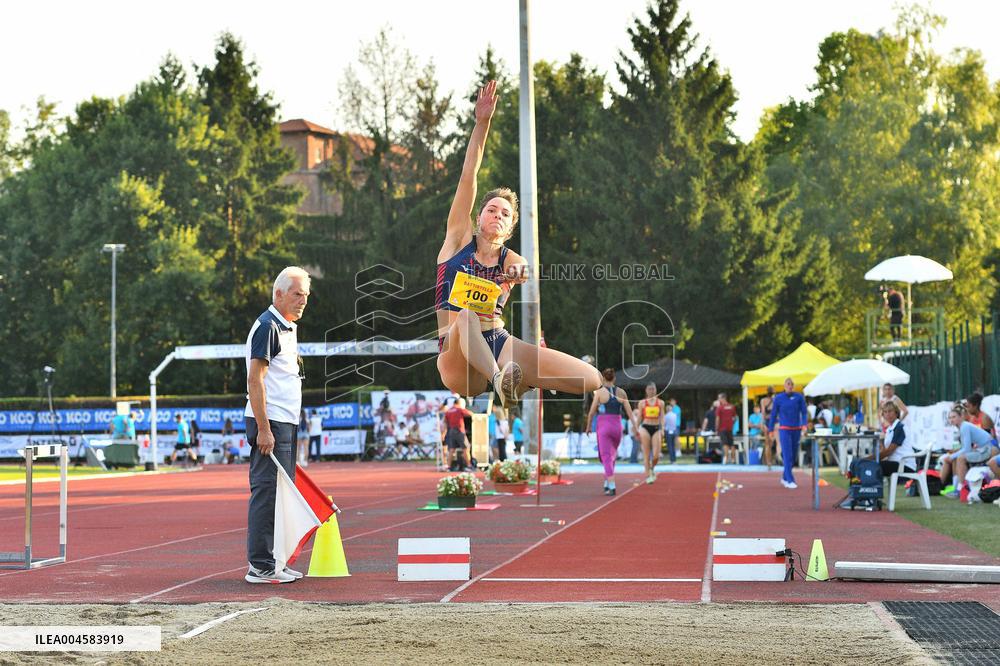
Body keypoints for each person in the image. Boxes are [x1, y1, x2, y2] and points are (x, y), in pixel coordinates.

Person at [434, 80, 601, 407]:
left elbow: (523, 269)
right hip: (456, 356)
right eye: (491, 209)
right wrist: (482, 124)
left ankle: (515, 383)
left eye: (505, 213)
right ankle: (502, 382)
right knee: (467, 316)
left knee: (589, 379)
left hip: (498, 342)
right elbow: (469, 175)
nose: (497, 215)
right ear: (478, 217)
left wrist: (522, 272)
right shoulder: (456, 240)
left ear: (510, 226)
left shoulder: (510, 257)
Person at [244, 266, 311, 584]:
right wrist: (264, 428)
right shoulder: (268, 326)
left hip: (286, 421)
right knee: (267, 492)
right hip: (271, 422)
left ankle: (276, 560)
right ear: (279, 294)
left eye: (306, 295)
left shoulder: (287, 327)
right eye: (297, 294)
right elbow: (255, 380)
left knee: (283, 495)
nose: (303, 300)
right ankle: (260, 564)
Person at [585, 369, 635, 496]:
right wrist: (636, 427)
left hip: (604, 425)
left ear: (603, 379)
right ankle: (607, 482)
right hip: (617, 426)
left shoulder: (599, 392)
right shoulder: (621, 392)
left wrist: (588, 426)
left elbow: (591, 413)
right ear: (614, 379)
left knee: (606, 456)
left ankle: (612, 485)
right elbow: (630, 413)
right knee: (611, 455)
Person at [941, 406, 1000, 498]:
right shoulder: (963, 426)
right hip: (983, 448)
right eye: (950, 417)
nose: (951, 419)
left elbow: (967, 449)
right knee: (957, 458)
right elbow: (966, 448)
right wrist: (953, 456)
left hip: (988, 449)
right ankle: (957, 487)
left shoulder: (964, 426)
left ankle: (960, 489)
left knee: (960, 458)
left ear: (961, 417)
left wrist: (952, 456)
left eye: (954, 417)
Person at [767, 378, 808, 489]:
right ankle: (790, 480)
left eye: (792, 384)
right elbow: (773, 415)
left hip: (797, 429)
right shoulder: (778, 398)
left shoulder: (799, 397)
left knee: (793, 456)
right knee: (787, 455)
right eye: (788, 384)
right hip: (784, 429)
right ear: (784, 386)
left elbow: (804, 412)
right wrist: (770, 430)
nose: (790, 386)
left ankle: (784, 477)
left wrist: (804, 425)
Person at [870, 402, 915, 480]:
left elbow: (889, 452)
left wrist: (869, 459)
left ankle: (874, 491)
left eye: (890, 411)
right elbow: (885, 451)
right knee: (871, 466)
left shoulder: (899, 427)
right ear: (883, 415)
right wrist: (881, 441)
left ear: (896, 413)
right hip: (895, 463)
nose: (888, 414)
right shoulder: (890, 429)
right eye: (885, 412)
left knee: (872, 466)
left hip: (905, 465)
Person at [635, 383, 666, 484]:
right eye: (649, 389)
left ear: (656, 390)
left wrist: (662, 429)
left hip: (656, 428)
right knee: (646, 454)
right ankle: (648, 476)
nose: (651, 391)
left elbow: (662, 417)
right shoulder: (642, 403)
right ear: (646, 390)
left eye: (653, 389)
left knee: (656, 454)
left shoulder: (661, 403)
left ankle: (652, 468)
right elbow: (639, 417)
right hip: (645, 427)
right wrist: (636, 429)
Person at [444, 398, 473, 471]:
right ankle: (469, 466)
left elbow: (445, 421)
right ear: (459, 403)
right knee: (466, 448)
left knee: (451, 449)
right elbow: (470, 414)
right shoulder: (459, 409)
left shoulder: (448, 411)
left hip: (451, 431)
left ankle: (448, 467)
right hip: (459, 431)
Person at [715, 393, 737, 464]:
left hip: (722, 428)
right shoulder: (732, 406)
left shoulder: (720, 408)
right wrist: (732, 423)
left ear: (723, 398)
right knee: (732, 444)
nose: (718, 400)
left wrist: (716, 428)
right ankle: (733, 459)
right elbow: (735, 417)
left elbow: (717, 419)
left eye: (719, 398)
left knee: (725, 443)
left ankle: (726, 458)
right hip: (730, 428)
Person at [759, 387, 775, 469]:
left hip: (768, 422)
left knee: (768, 443)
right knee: (770, 443)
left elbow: (763, 413)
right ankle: (769, 461)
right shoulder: (775, 400)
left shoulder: (763, 401)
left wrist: (762, 423)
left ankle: (769, 462)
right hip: (774, 422)